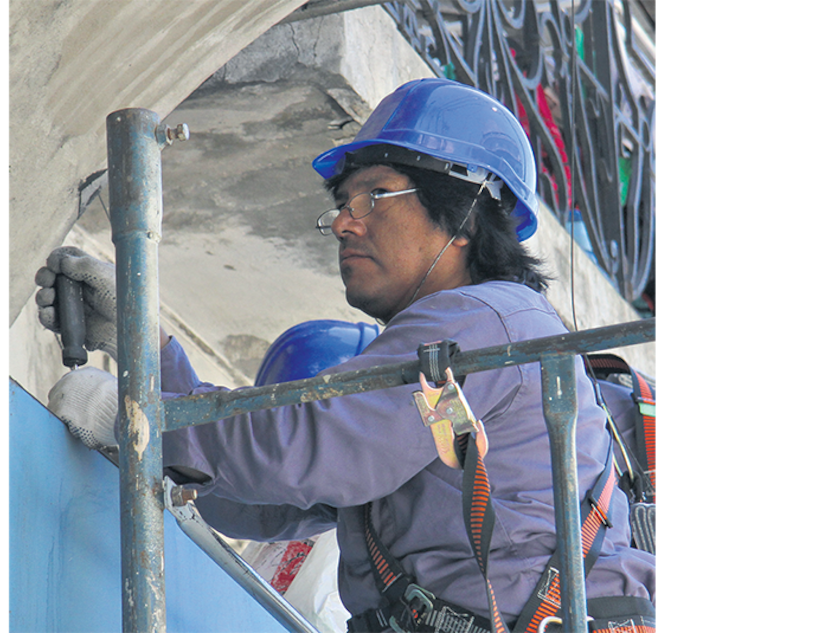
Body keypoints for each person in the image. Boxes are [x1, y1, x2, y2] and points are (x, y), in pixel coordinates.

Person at [38, 78, 657, 631]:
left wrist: (145, 419)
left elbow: (307, 450)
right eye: (341, 204)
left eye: (373, 197)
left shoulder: (488, 321)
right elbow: (261, 501)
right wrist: (150, 352)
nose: (343, 223)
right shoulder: (460, 347)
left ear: (464, 213)